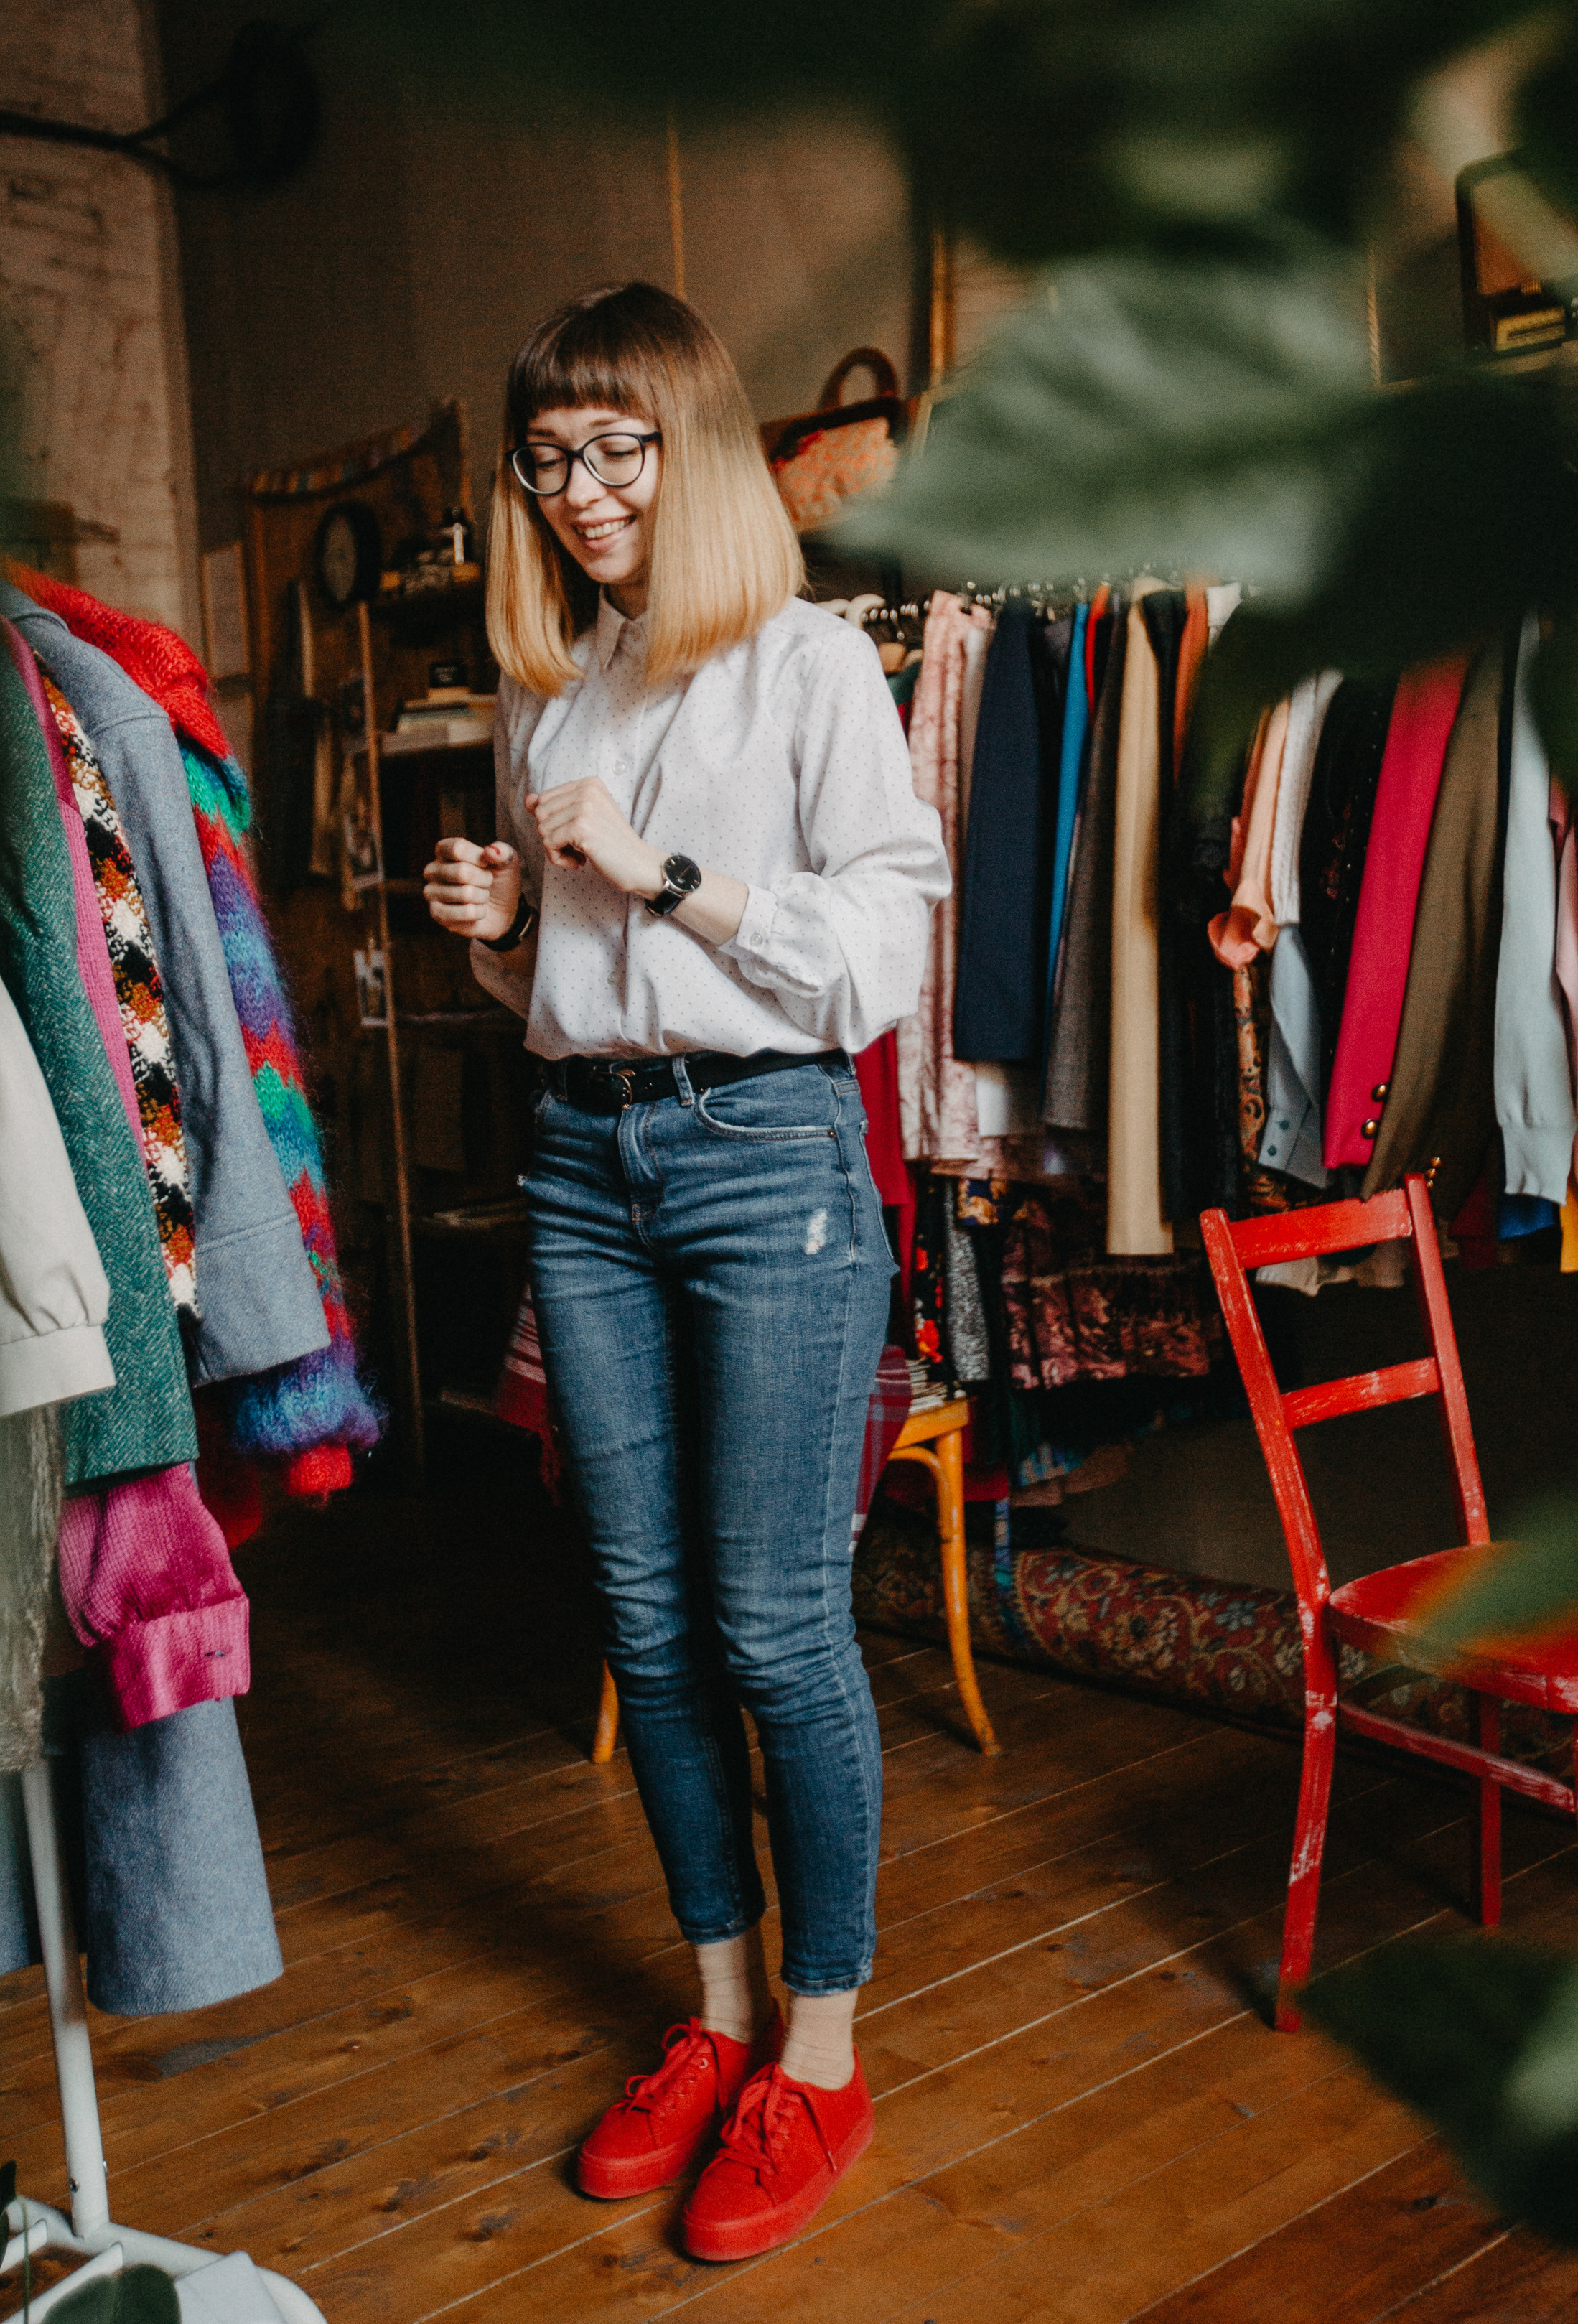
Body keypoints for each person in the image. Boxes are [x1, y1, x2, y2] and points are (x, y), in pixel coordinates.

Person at [424, 281, 947, 2262]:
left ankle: (819, 2055)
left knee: (774, 1627)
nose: (580, 489)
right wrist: (499, 925)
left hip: (768, 1163)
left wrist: (655, 872)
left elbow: (871, 968)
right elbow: (557, 994)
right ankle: (716, 2018)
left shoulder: (809, 667)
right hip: (587, 1157)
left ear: (695, 447)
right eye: (548, 454)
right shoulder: (548, 686)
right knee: (639, 1623)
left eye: (617, 446)